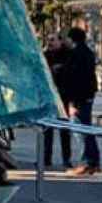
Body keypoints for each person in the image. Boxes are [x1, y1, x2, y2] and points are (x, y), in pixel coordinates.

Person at [64, 26, 101, 175]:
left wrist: (72, 103)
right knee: (87, 129)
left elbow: (76, 80)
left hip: (79, 99)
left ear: (72, 39)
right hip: (87, 96)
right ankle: (94, 161)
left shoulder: (76, 55)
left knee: (80, 130)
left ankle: (86, 162)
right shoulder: (88, 53)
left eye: (67, 37)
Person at [43, 33, 72, 167]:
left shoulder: (67, 55)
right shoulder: (44, 56)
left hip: (63, 97)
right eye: (48, 40)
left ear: (60, 41)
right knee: (47, 130)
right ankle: (46, 157)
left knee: (64, 130)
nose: (50, 43)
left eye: (53, 40)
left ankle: (66, 159)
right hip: (48, 98)